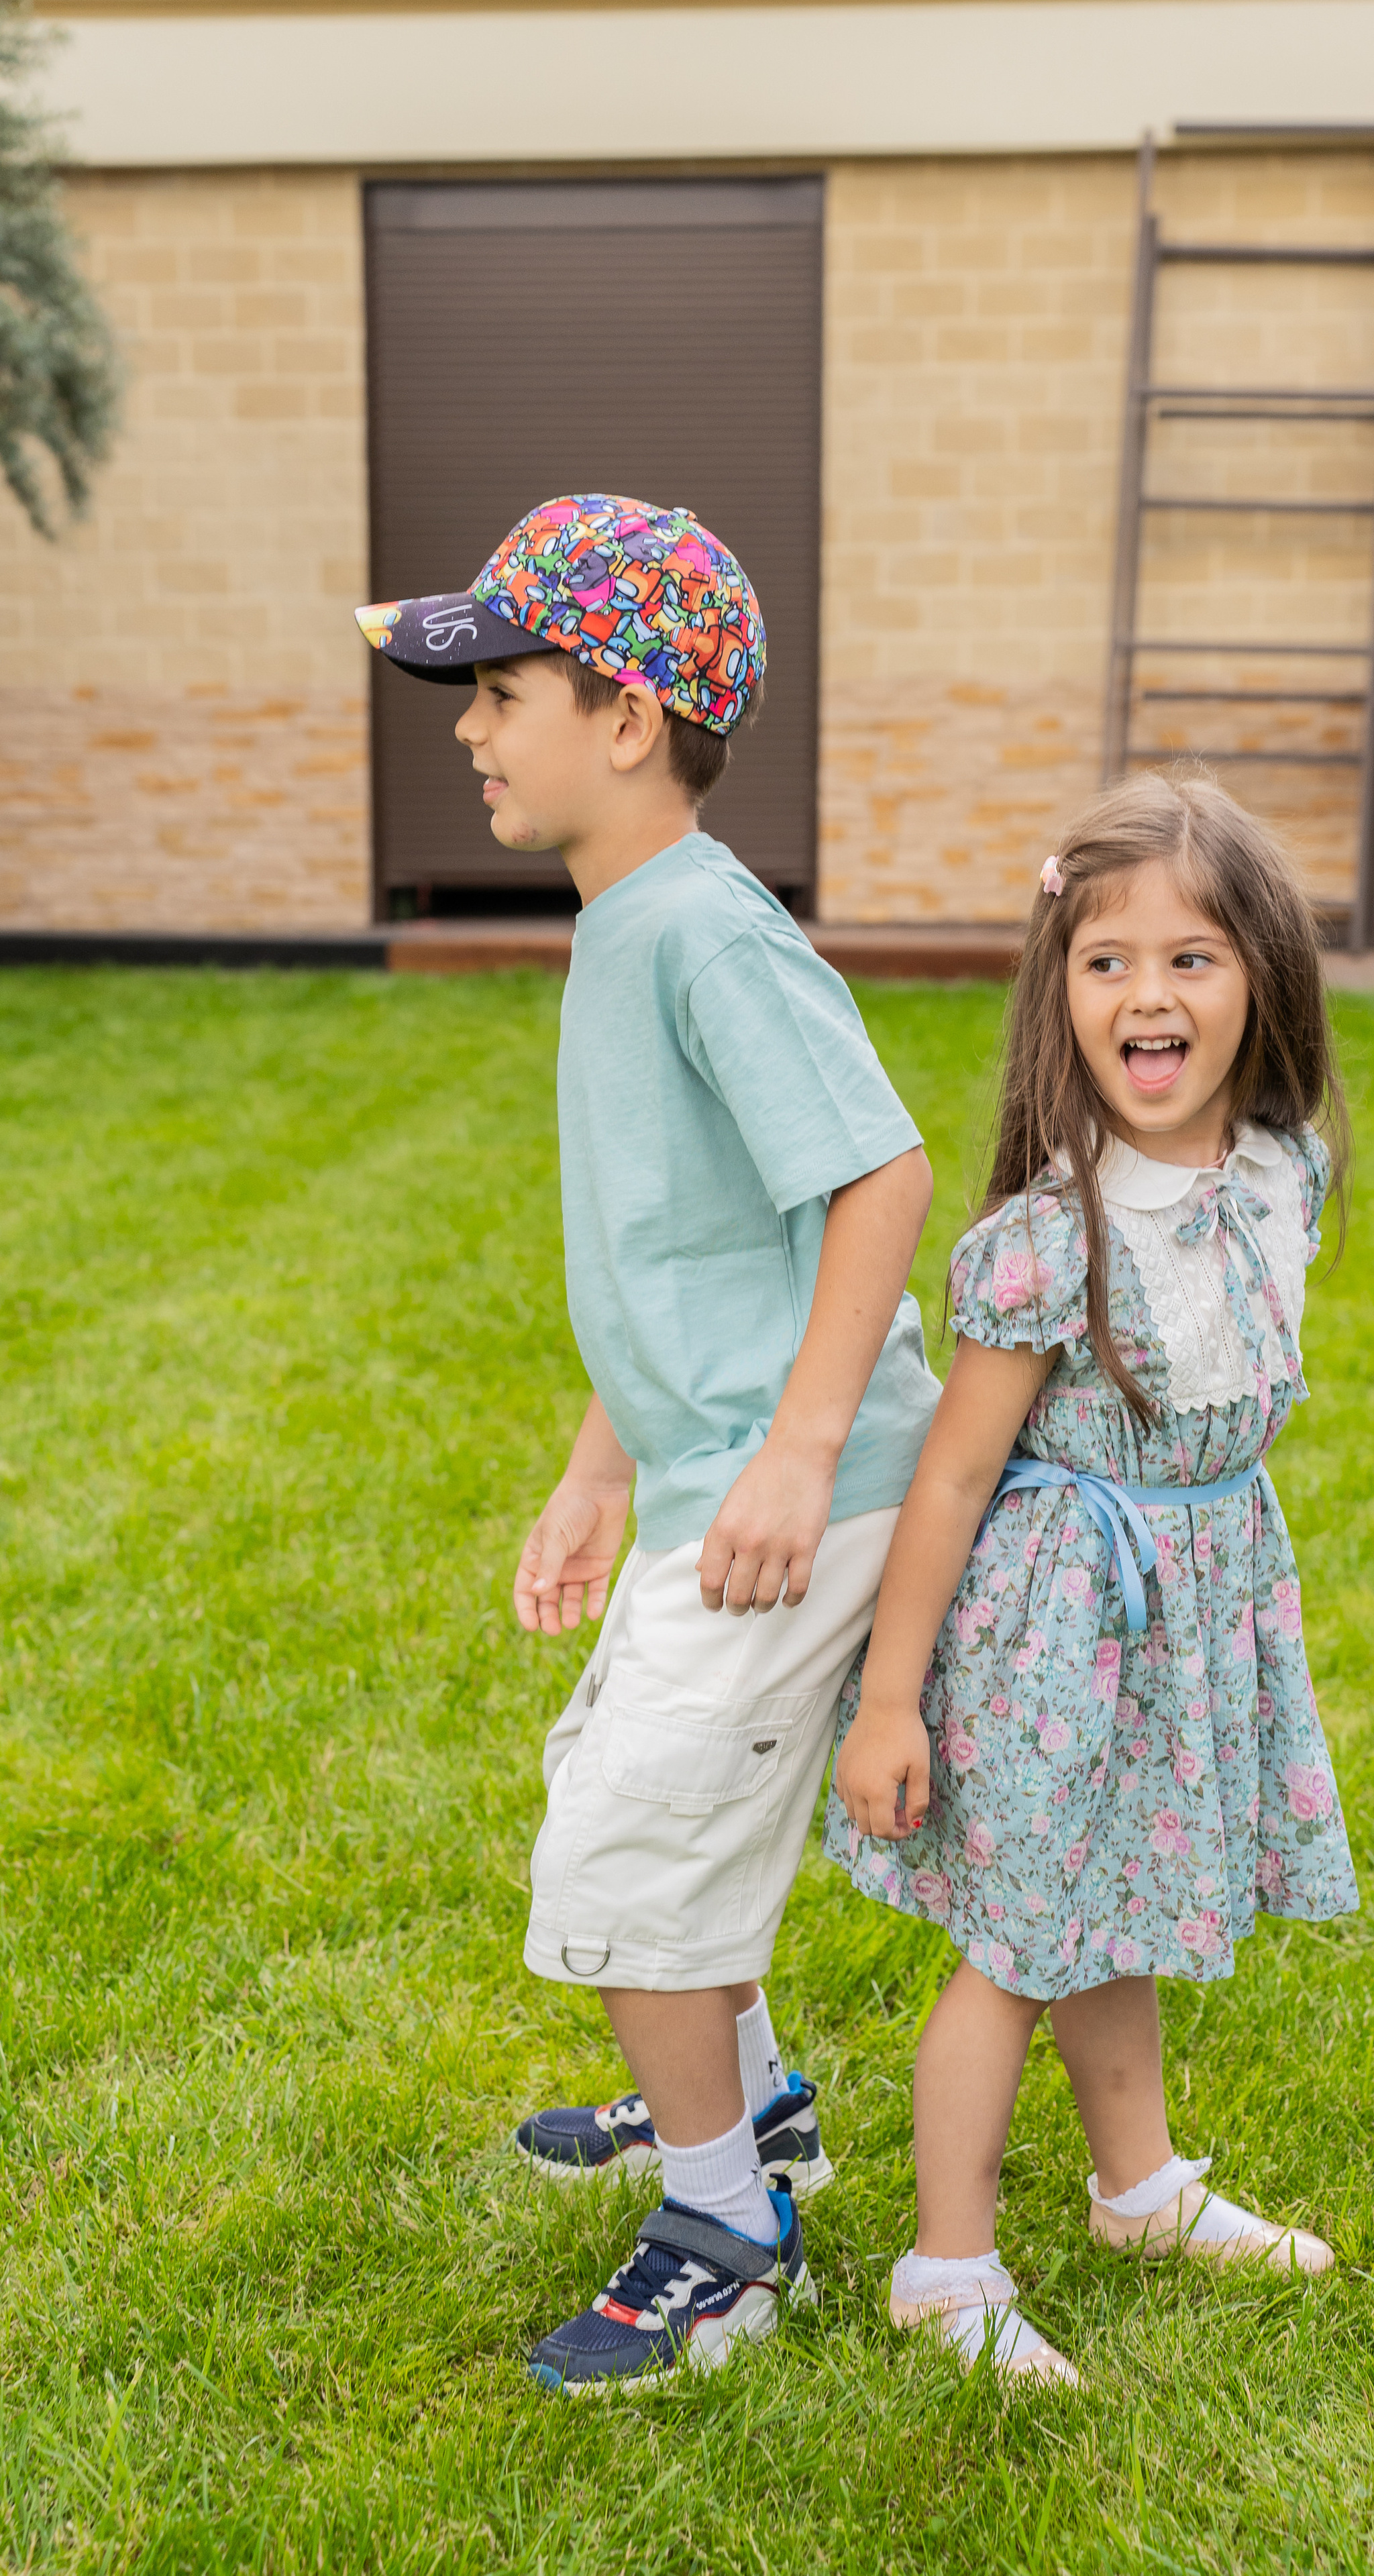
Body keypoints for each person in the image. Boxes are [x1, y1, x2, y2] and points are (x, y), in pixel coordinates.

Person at [356, 494, 939, 2394]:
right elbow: (684, 1245)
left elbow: (877, 1176)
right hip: (716, 1478)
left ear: (624, 720)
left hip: (801, 1494)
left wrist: (792, 1449)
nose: (465, 728)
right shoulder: (629, 925)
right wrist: (602, 1468)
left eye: (496, 689)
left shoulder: (704, 935)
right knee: (629, 1787)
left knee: (624, 1859)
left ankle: (726, 2230)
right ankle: (753, 2114)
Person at [827, 770, 1360, 2386]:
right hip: (1059, 1625)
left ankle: (1136, 2190)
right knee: (1017, 1943)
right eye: (1106, 959)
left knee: (1113, 1905)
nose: (1148, 992)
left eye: (1190, 958)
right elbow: (955, 1476)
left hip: (1192, 1612)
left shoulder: (1280, 1171)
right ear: (1060, 996)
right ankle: (946, 2266)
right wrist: (893, 1699)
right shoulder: (1046, 1240)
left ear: (1259, 980)